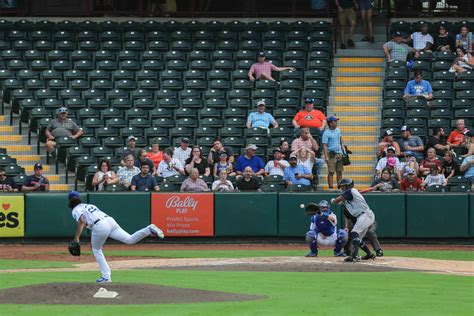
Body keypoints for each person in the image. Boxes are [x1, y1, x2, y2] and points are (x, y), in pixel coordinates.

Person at [68, 191, 164, 283]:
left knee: (96, 250)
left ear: (69, 200)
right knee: (129, 239)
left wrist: (76, 238)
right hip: (110, 221)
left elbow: (81, 222)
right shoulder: (88, 205)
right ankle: (148, 230)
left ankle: (106, 276)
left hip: (100, 225)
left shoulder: (75, 210)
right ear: (79, 199)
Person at [330, 178, 376, 262]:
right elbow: (346, 209)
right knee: (359, 239)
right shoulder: (350, 196)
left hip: (365, 214)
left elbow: (336, 200)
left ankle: (355, 256)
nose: (342, 188)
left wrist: (333, 200)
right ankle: (369, 254)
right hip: (362, 217)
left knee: (355, 232)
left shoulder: (350, 191)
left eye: (344, 186)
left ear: (349, 185)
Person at [322, 116, 344, 189]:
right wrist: (326, 156)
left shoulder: (338, 130)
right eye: (335, 121)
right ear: (330, 123)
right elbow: (324, 145)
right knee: (331, 172)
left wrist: (344, 150)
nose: (336, 122)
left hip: (339, 153)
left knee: (339, 171)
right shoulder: (326, 133)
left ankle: (339, 187)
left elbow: (340, 139)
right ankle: (330, 188)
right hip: (331, 154)